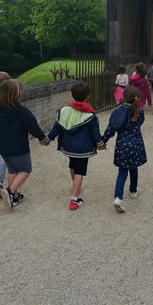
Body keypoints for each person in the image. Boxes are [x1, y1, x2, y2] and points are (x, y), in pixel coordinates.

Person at [45, 80, 106, 210]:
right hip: (82, 149)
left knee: (72, 166)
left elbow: (56, 128)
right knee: (80, 171)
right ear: (87, 96)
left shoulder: (64, 111)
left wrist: (48, 139)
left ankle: (75, 186)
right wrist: (101, 144)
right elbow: (95, 133)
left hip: (68, 147)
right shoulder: (90, 115)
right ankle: (74, 199)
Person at [0, 79, 47, 211]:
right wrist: (41, 137)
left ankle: (14, 197)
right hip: (19, 149)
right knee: (25, 170)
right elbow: (33, 127)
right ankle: (10, 191)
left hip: (5, 149)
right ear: (17, 95)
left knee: (13, 171)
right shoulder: (23, 112)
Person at [103, 85, 147, 213]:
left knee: (122, 172)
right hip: (135, 144)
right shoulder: (139, 112)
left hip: (122, 145)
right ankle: (133, 190)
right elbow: (140, 122)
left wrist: (102, 141)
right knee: (134, 168)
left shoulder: (117, 112)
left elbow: (111, 129)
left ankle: (118, 197)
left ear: (123, 97)